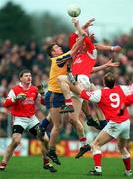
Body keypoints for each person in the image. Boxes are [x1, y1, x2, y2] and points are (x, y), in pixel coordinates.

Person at [74, 72, 133, 176]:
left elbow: (83, 94)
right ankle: (128, 172)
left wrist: (74, 82)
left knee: (95, 144)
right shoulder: (122, 88)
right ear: (114, 82)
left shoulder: (100, 93)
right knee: (122, 147)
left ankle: (98, 169)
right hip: (126, 122)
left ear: (104, 82)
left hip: (115, 123)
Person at [44, 32, 89, 165]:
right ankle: (51, 150)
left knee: (73, 119)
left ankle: (84, 140)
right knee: (58, 126)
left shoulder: (64, 59)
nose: (59, 48)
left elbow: (76, 54)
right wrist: (82, 37)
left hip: (63, 93)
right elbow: (74, 49)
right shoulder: (57, 59)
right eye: (56, 47)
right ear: (53, 53)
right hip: (54, 95)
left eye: (58, 46)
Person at [0, 70, 56, 173]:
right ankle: (3, 163)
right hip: (19, 118)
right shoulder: (15, 89)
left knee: (45, 139)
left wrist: (42, 94)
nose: (29, 77)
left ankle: (46, 163)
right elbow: (5, 104)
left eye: (30, 76)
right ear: (21, 78)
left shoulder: (35, 89)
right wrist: (16, 98)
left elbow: (43, 103)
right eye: (26, 76)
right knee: (16, 141)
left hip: (32, 119)